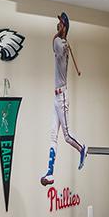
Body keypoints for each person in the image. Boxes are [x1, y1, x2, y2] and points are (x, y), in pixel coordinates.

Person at [42, 12, 86, 186]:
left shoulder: (59, 43)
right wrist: (62, 35)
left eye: (59, 23)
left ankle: (82, 148)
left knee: (66, 136)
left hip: (62, 96)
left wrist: (60, 35)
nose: (57, 25)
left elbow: (54, 42)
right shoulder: (62, 43)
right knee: (53, 135)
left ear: (64, 26)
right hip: (56, 95)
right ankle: (50, 173)